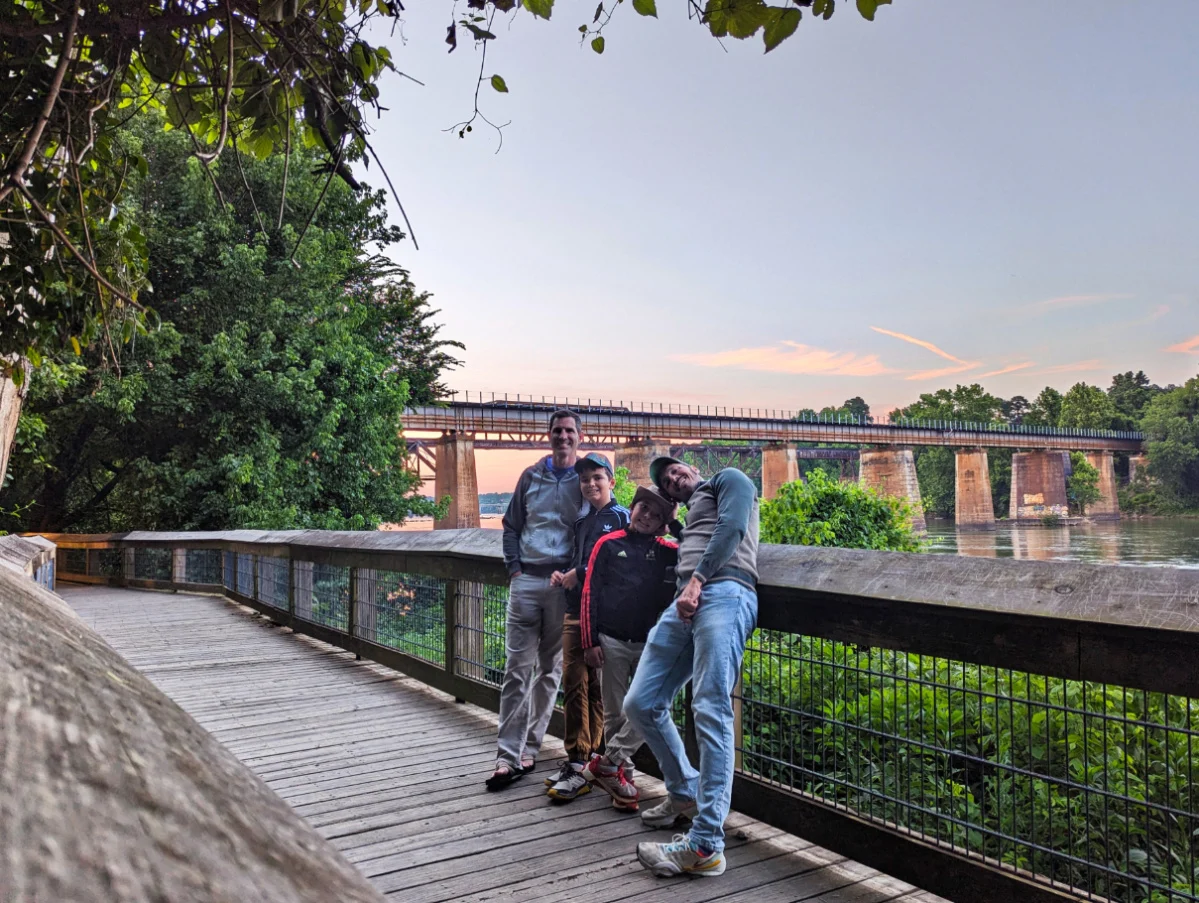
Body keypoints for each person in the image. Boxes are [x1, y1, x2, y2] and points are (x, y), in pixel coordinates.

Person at [624, 457, 759, 877]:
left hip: (725, 591)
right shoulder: (695, 507)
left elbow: (732, 527)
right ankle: (684, 791)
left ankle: (705, 845)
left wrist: (698, 580)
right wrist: (679, 537)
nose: (673, 478)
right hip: (686, 600)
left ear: (694, 467)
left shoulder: (729, 478)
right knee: (641, 703)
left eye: (677, 470)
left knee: (710, 706)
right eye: (668, 482)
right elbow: (702, 533)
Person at [486, 409, 587, 791]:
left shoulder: (585, 478)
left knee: (549, 670)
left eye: (569, 432)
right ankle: (505, 756)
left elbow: (596, 527)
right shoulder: (530, 476)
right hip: (527, 580)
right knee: (517, 668)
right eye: (557, 431)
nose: (563, 437)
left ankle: (530, 747)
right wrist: (514, 568)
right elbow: (511, 525)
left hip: (563, 586)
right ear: (549, 436)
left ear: (579, 436)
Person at [577, 485, 678, 812]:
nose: (647, 516)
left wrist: (674, 524)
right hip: (610, 641)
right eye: (643, 508)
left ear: (664, 523)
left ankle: (608, 762)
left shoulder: (667, 549)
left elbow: (698, 548)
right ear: (631, 508)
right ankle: (624, 783)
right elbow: (589, 592)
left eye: (656, 514)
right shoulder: (608, 543)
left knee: (651, 706)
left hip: (649, 644)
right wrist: (589, 641)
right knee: (615, 712)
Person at [545, 452, 629, 801]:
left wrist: (582, 573)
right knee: (575, 682)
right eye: (584, 480)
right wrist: (562, 573)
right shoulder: (581, 524)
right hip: (574, 611)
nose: (590, 484)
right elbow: (575, 563)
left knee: (600, 689)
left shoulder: (622, 518)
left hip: (604, 616)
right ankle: (579, 759)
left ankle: (593, 759)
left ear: (611, 480)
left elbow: (626, 570)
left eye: (597, 477)